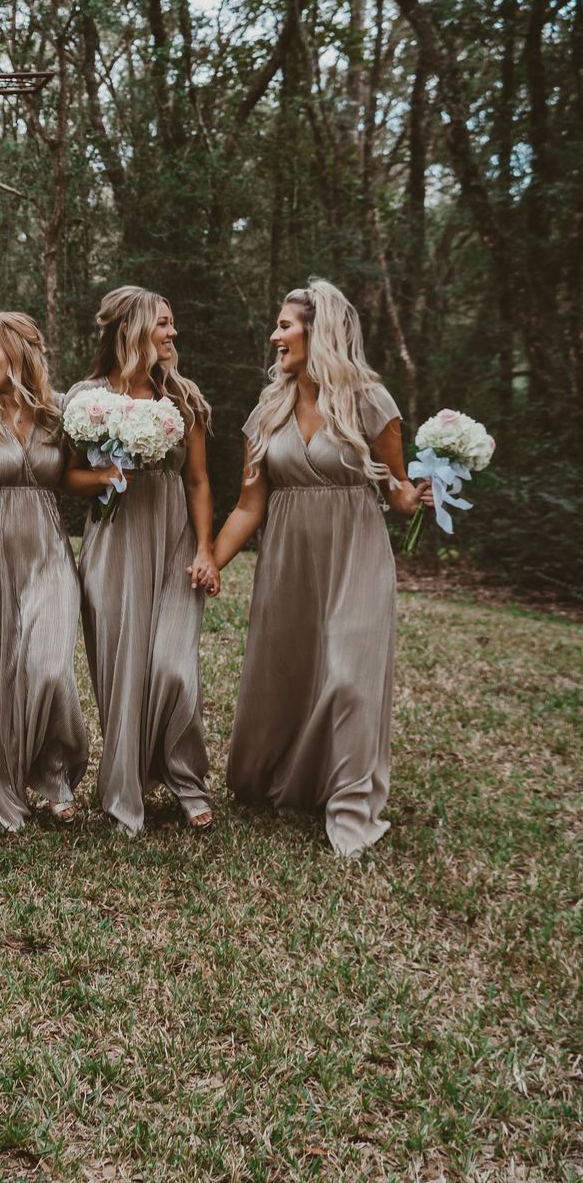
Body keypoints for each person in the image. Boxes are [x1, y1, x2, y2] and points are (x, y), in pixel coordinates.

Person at [210, 278, 431, 857]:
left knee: (349, 674)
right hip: (289, 557)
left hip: (355, 551)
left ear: (319, 330)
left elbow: (397, 488)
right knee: (290, 669)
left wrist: (414, 498)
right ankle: (286, 777)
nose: (275, 335)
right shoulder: (267, 410)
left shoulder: (369, 401)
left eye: (285, 325)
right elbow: (248, 505)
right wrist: (210, 560)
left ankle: (351, 807)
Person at [64, 286, 219, 834]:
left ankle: (186, 781)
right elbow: (66, 475)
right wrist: (104, 475)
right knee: (122, 672)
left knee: (175, 668)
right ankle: (124, 788)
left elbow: (198, 480)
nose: (172, 334)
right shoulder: (86, 398)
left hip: (173, 538)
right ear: (130, 330)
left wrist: (206, 549)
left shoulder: (184, 396)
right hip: (114, 540)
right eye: (163, 324)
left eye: (172, 324)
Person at [0, 312, 88, 830]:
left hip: (50, 549)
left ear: (21, 349)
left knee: (48, 665)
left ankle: (57, 773)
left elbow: (71, 476)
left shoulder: (57, 412)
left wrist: (115, 470)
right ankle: (8, 785)